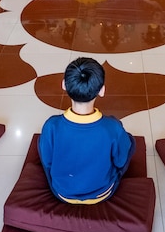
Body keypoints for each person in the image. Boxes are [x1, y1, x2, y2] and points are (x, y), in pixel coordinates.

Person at [38, 57, 136, 204]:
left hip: (62, 192)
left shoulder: (51, 125)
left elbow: (47, 160)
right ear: (102, 90)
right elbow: (120, 161)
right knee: (130, 141)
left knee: (42, 142)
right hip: (102, 192)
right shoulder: (112, 127)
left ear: (64, 85)